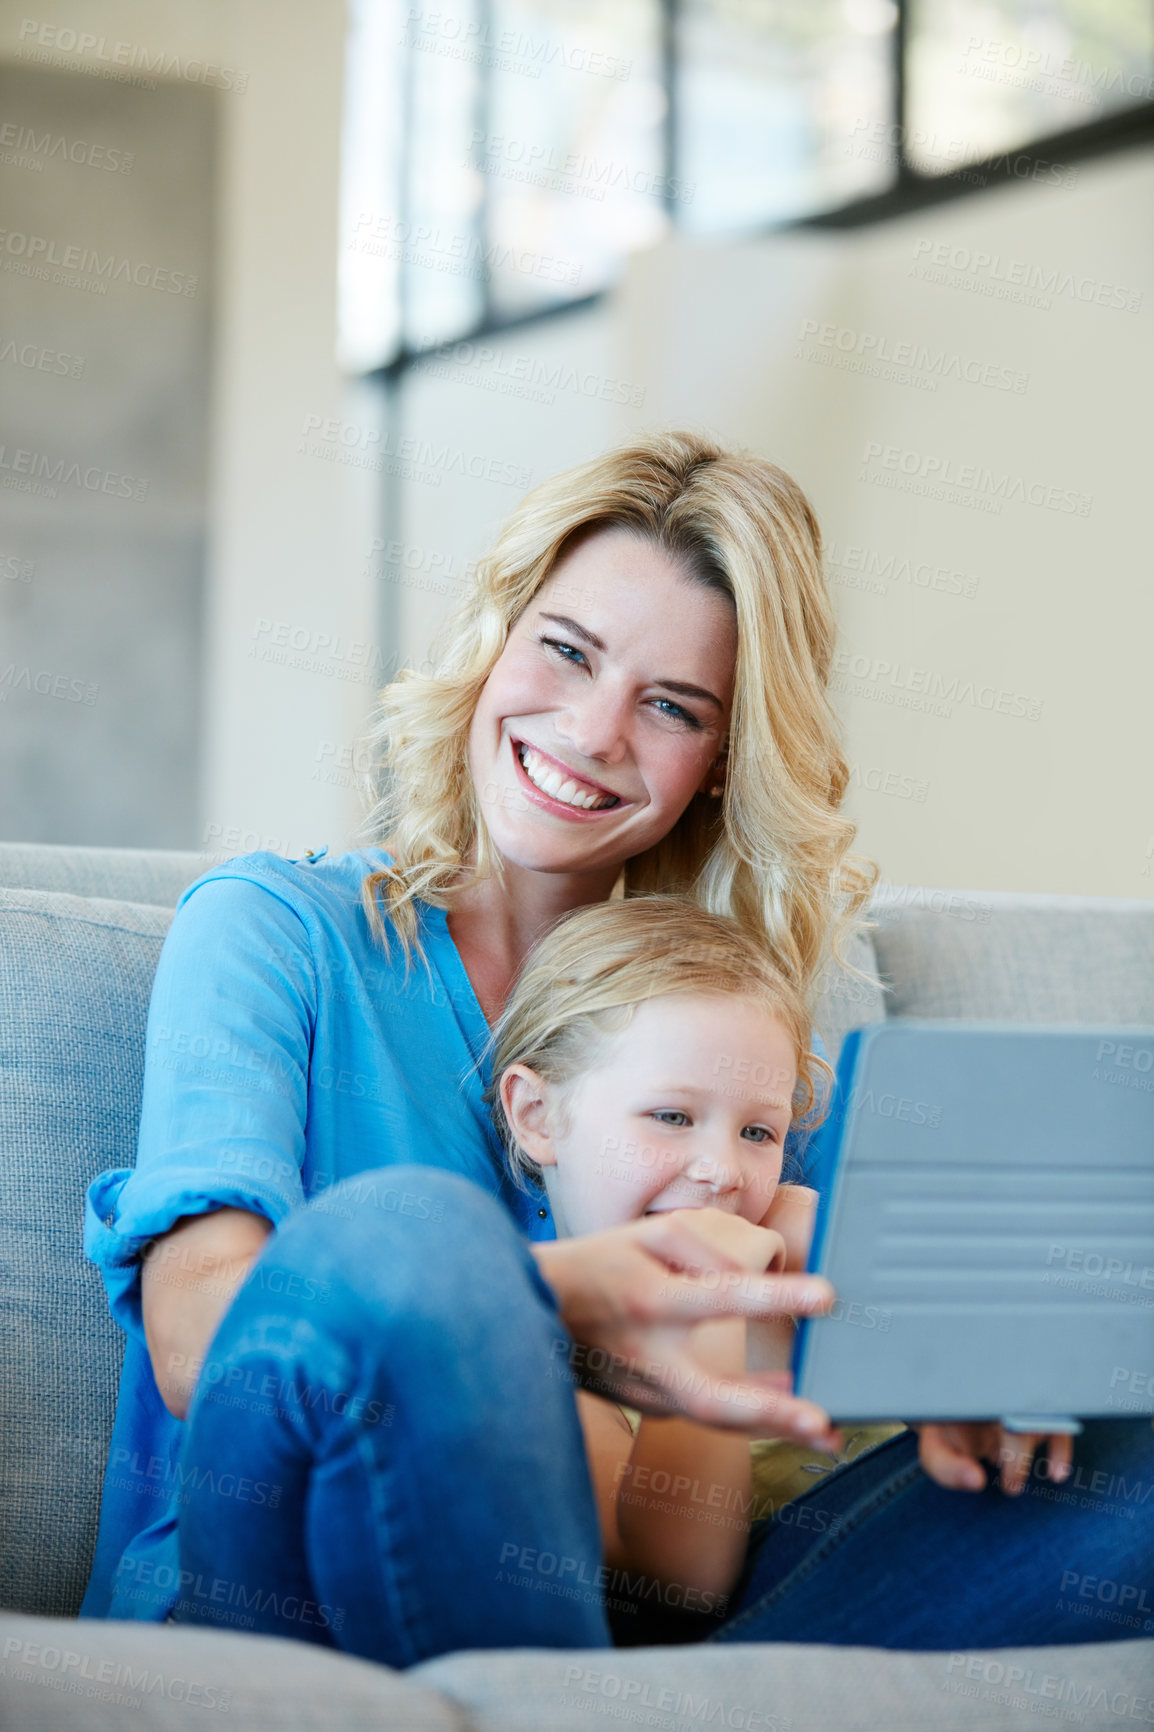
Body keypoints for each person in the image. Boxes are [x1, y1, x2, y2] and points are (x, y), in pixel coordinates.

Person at [80, 431, 1152, 1661]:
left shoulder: (716, 1018)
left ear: (715, 765)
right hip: (294, 1600)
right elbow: (197, 1344)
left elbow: (686, 1556)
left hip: (642, 1633)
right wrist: (557, 1300)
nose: (590, 731)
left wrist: (979, 1345)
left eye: (669, 705)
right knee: (414, 1229)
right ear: (493, 642)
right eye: (566, 650)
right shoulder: (274, 930)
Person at [488, 893, 903, 1635]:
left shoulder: (803, 1262)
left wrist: (870, 1265)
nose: (721, 1170)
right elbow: (682, 1587)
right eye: (672, 1117)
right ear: (538, 1116)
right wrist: (712, 1302)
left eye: (757, 1131)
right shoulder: (542, 1345)